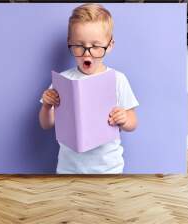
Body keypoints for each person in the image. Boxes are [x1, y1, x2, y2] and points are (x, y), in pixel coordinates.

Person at [39, 3, 139, 174]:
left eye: (95, 46)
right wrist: (47, 106)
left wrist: (124, 118)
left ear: (110, 45)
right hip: (68, 169)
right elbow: (46, 124)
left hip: (109, 169)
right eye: (79, 45)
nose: (87, 53)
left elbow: (133, 122)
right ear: (69, 43)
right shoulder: (63, 80)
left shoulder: (117, 79)